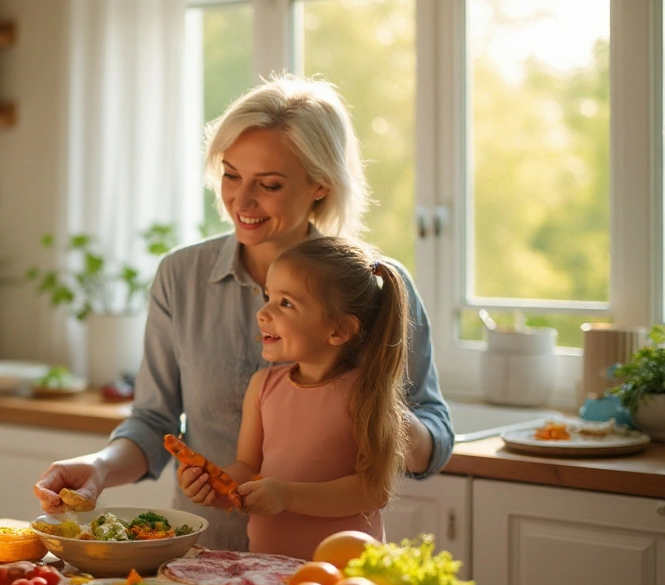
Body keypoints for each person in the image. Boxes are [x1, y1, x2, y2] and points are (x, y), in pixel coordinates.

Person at [34, 74, 452, 551]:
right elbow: (154, 422)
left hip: (325, 562)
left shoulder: (372, 286)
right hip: (199, 553)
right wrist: (99, 469)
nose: (241, 201)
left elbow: (433, 436)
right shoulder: (181, 275)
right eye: (231, 175)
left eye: (268, 184)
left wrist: (368, 405)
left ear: (321, 184)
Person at [178, 237, 409, 559]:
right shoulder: (263, 386)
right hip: (267, 567)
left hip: (345, 575)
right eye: (269, 297)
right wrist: (216, 488)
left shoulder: (365, 393)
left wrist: (287, 495)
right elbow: (247, 466)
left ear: (340, 330)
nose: (263, 312)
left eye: (286, 303)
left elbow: (373, 490)